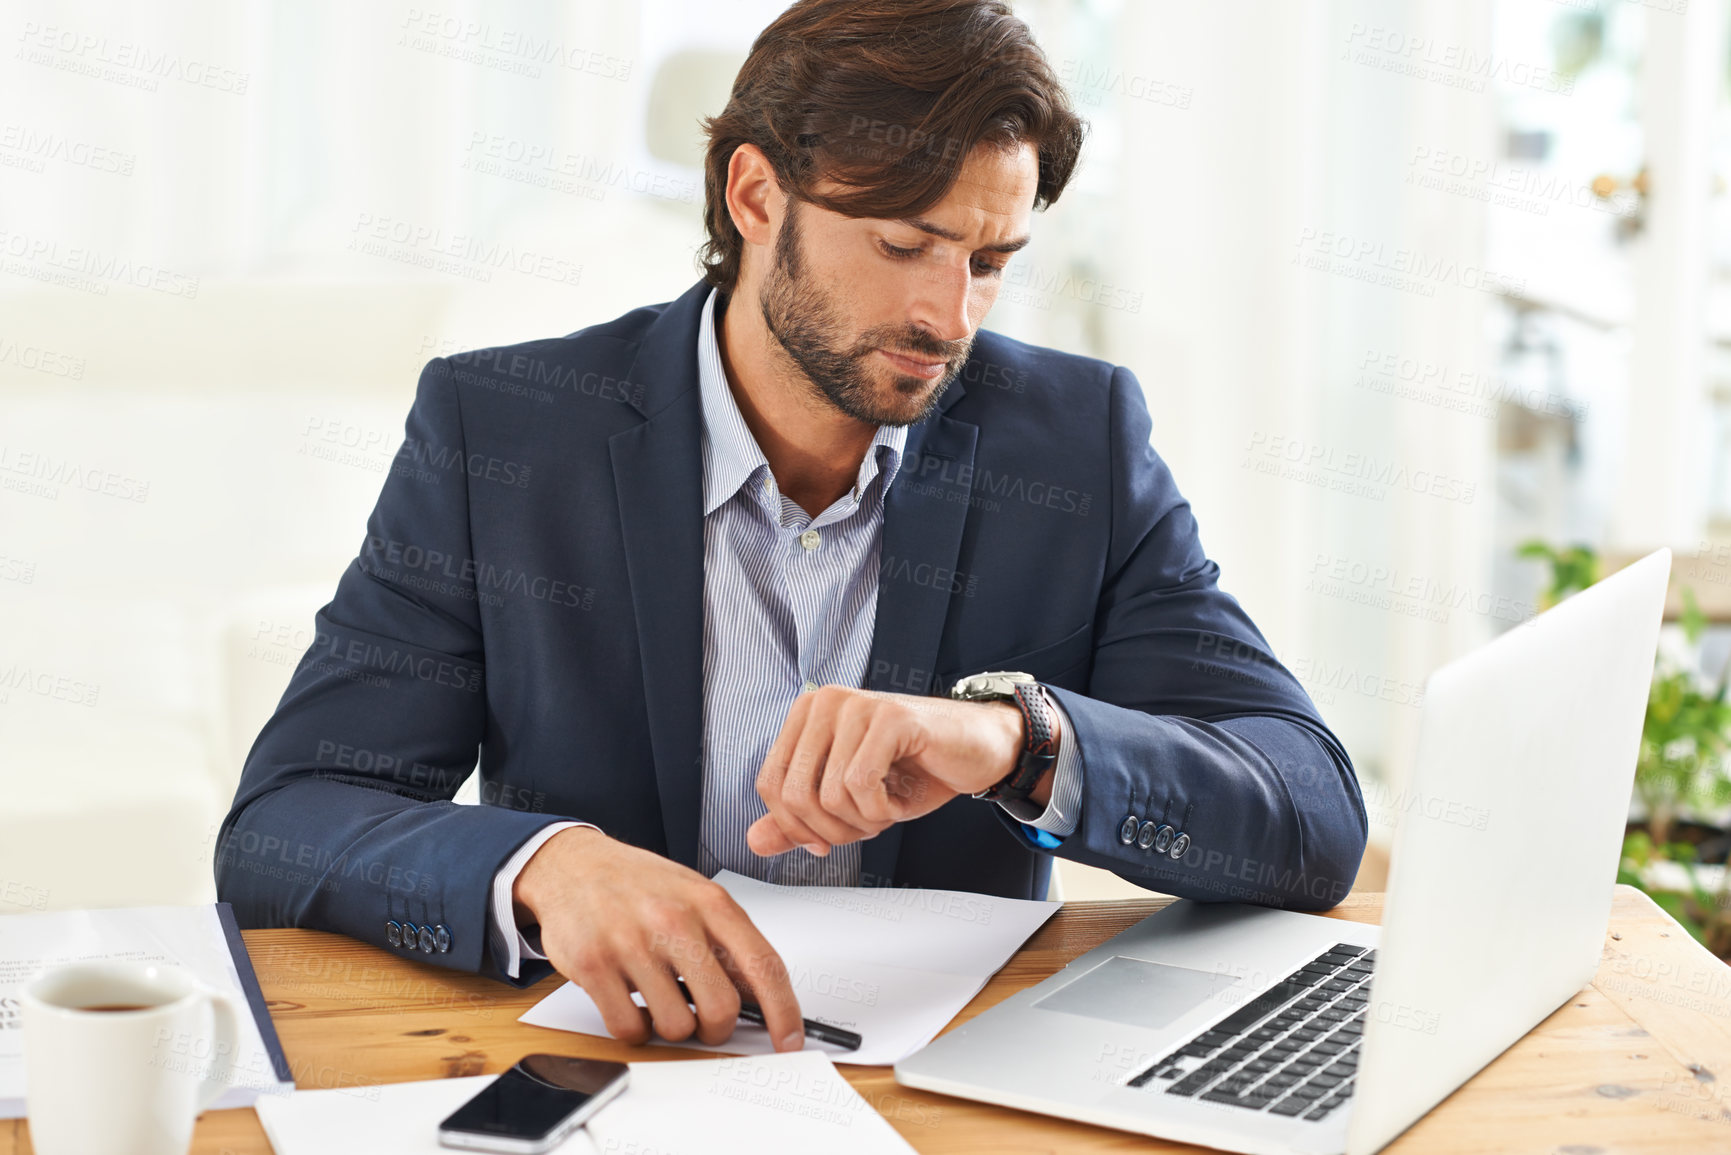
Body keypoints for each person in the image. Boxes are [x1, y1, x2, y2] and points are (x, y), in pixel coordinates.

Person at [216, 0, 1366, 1056]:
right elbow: (285, 823)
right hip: (614, 1066)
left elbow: (1310, 815)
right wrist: (543, 869)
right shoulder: (505, 434)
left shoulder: (1073, 442)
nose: (947, 314)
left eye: (990, 261)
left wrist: (1023, 741)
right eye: (904, 245)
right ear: (755, 196)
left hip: (953, 1086)